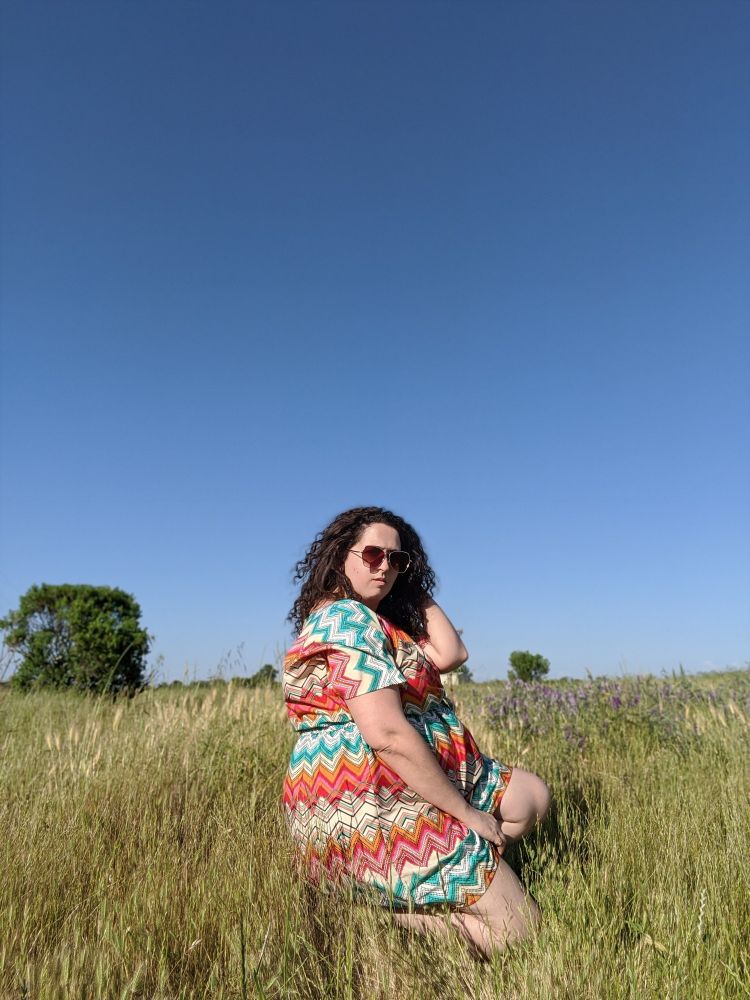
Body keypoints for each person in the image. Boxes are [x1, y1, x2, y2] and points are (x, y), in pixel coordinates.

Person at [282, 506, 550, 959]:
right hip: (374, 801)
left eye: (397, 559)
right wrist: (466, 814)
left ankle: (439, 888)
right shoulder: (346, 620)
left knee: (530, 798)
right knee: (522, 932)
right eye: (371, 555)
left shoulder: (376, 622)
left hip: (408, 783)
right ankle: (366, 915)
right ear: (338, 557)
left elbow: (451, 651)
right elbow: (386, 733)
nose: (384, 565)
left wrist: (405, 582)